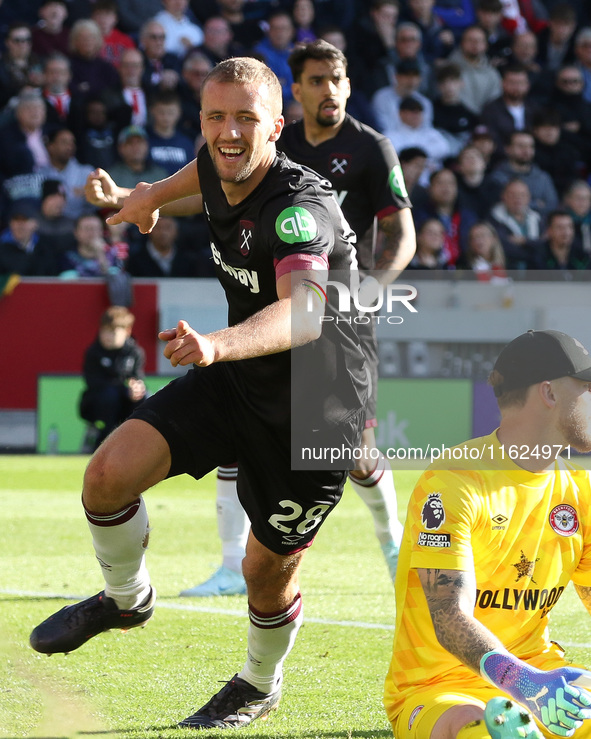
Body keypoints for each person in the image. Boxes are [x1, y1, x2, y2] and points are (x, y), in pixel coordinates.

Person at [30, 56, 368, 730]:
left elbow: (303, 313)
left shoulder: (301, 208)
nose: (228, 132)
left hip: (315, 411)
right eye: (216, 117)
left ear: (277, 126)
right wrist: (148, 196)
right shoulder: (218, 159)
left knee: (262, 571)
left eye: (246, 118)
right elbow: (201, 174)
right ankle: (127, 599)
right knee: (106, 476)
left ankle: (257, 682)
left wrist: (217, 343)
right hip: (238, 378)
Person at [181, 39, 416, 597]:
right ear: (298, 91)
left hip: (335, 320)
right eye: (317, 80)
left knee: (351, 452)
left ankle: (392, 543)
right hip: (269, 310)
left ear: (348, 86)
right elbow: (208, 184)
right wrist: (147, 200)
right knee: (237, 428)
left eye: (337, 79)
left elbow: (402, 231)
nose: (329, 90)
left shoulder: (371, 148)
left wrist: (374, 289)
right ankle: (229, 564)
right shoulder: (257, 141)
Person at [384, 328, 591, 739]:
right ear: (549, 393)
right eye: (585, 387)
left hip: (545, 680)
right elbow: (448, 616)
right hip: (441, 686)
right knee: (477, 727)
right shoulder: (452, 483)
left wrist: (541, 684)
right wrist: (525, 685)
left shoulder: (580, 494)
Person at [79, 306, 147, 453]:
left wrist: (136, 388)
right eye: (105, 331)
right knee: (110, 395)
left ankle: (138, 443)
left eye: (113, 331)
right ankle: (101, 442)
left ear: (127, 332)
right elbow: (93, 383)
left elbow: (137, 377)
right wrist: (123, 388)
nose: (107, 336)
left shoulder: (135, 353)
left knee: (146, 397)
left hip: (125, 402)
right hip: (97, 404)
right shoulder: (93, 353)